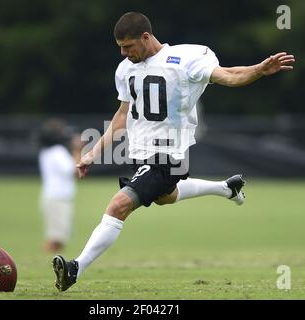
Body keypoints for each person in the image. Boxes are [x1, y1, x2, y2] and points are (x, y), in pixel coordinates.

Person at [52, 12, 295, 291]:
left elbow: (227, 75)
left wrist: (257, 70)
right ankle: (226, 189)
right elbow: (122, 115)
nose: (123, 52)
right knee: (165, 196)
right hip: (141, 153)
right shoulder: (125, 69)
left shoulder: (185, 59)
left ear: (146, 37)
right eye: (120, 46)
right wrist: (93, 154)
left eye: (128, 46)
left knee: (118, 205)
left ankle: (75, 268)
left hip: (166, 156)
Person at [38, 119, 82, 253]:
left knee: (59, 238)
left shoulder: (46, 151)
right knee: (56, 239)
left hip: (53, 197)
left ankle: (51, 260)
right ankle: (44, 261)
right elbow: (75, 170)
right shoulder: (58, 151)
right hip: (58, 198)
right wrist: (77, 149)